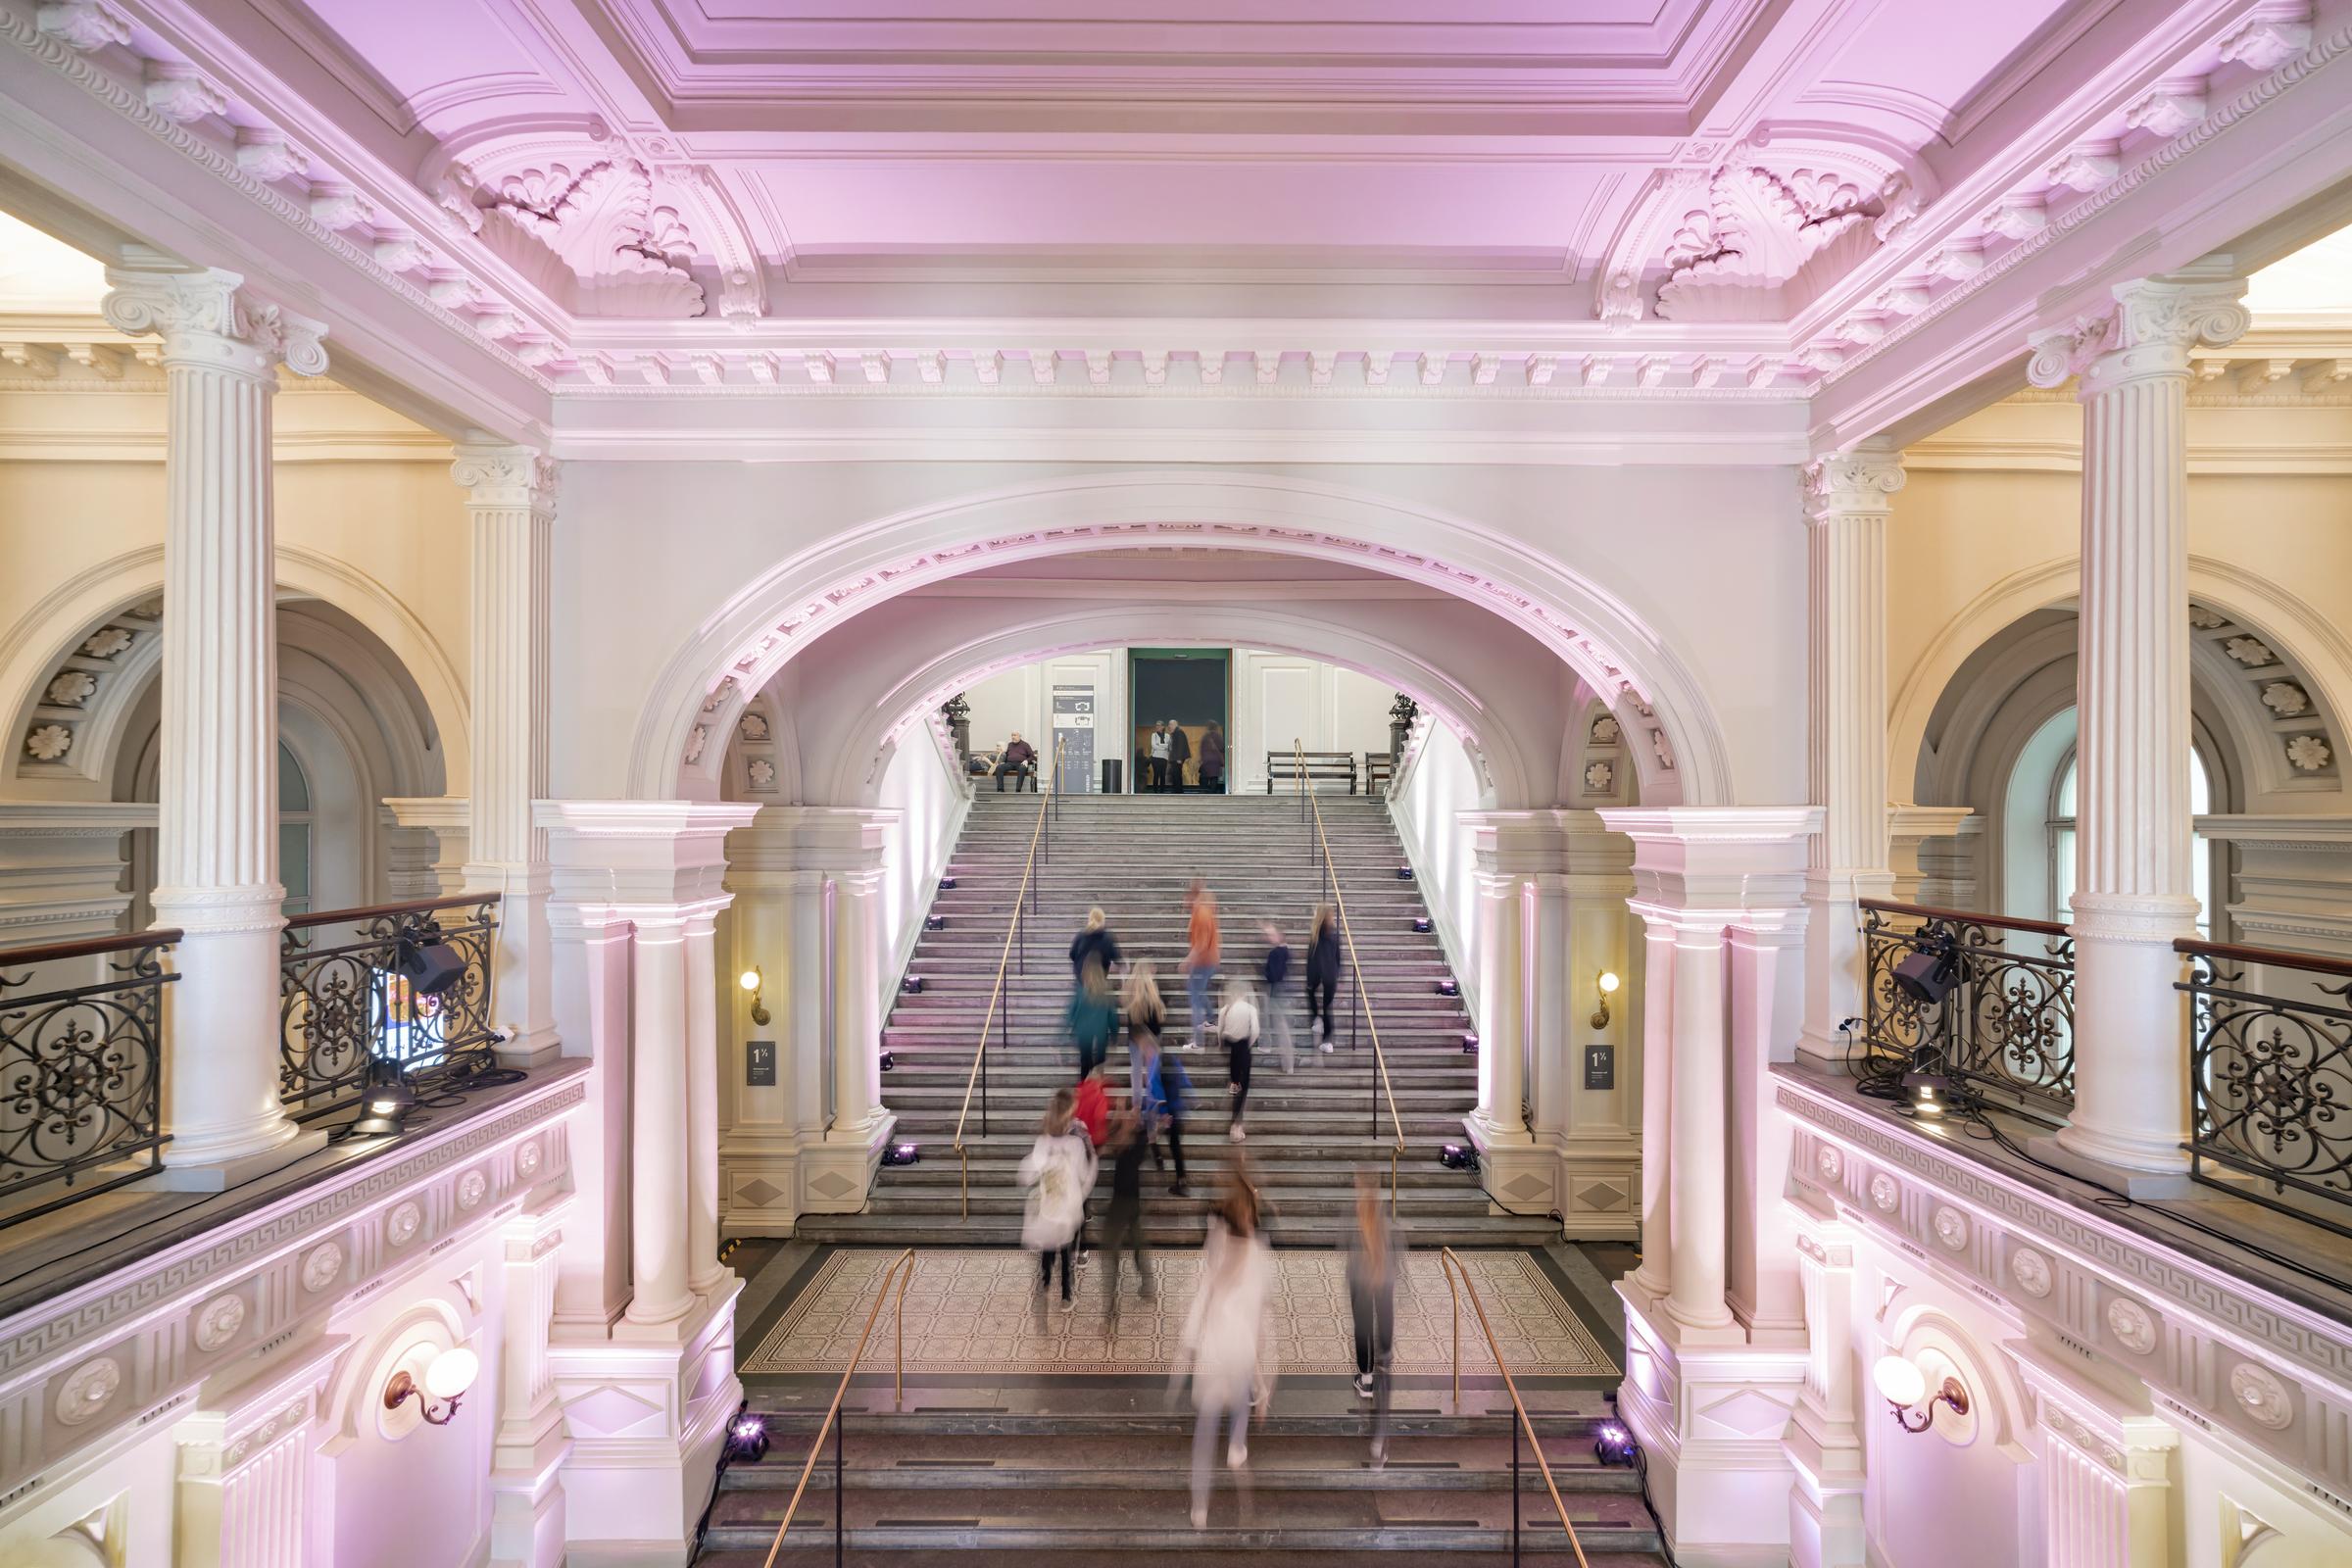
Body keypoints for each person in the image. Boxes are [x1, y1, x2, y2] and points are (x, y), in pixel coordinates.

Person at [1173, 1181, 1276, 1530]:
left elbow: (1200, 1303)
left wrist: (1185, 1355)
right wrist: (1262, 1388)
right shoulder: (1258, 1259)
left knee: (1204, 1432)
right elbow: (1262, 1326)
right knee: (1237, 1401)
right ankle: (1236, 1446)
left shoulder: (1217, 1251)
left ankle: (1199, 1508)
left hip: (1214, 1352)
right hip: (1240, 1353)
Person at [1018, 1088, 1096, 1312]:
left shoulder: (1043, 1142)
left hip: (1049, 1208)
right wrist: (1080, 1195)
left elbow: (1027, 1173)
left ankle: (1045, 1281)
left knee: (1048, 1246)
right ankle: (1066, 1295)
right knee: (1065, 1250)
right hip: (1067, 1210)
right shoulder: (1075, 1143)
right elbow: (1087, 1174)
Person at [1348, 1169, 1402, 1466]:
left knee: (1364, 1333)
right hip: (1385, 1322)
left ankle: (1365, 1377)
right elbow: (1398, 1266)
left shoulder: (1357, 1225)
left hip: (1366, 1303)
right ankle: (1380, 1443)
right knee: (1386, 1371)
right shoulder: (1387, 1226)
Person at [1101, 1103, 1155, 1325]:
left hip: (1122, 1204)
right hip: (1131, 1202)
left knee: (1111, 1252)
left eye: (1131, 1117)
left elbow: (1124, 1140)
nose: (1128, 1117)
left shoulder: (1134, 1143)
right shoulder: (1132, 1142)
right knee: (1137, 1241)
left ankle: (1112, 1306)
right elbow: (1115, 1139)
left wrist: (1126, 1122)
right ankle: (1147, 1284)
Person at [1217, 977, 1259, 1142]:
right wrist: (1248, 1044)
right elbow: (1255, 1031)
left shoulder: (1225, 1010)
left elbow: (1220, 1032)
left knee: (1235, 1084)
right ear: (1243, 993)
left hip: (1232, 1050)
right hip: (1243, 1049)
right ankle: (1236, 1126)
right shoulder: (1250, 1009)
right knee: (1244, 1086)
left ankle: (1234, 1124)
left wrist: (1222, 1044)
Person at [1066, 956, 1118, 1081]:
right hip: (1101, 1034)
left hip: (1084, 1033)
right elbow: (1112, 1015)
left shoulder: (1081, 991)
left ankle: (1085, 1092)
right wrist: (1114, 1033)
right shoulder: (1106, 991)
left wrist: (1070, 1030)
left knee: (1085, 1062)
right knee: (1099, 1065)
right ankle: (1097, 1094)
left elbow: (1071, 1013)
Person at [1182, 880, 1220, 1050]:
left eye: (1186, 897)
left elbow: (1202, 944)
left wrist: (1187, 960)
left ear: (1193, 896)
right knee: (1197, 991)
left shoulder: (1202, 914)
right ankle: (1210, 1020)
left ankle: (1198, 1042)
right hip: (1206, 961)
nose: (1183, 901)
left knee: (1195, 998)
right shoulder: (1200, 912)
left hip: (1203, 962)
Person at [1259, 922, 1296, 1074]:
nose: (1269, 937)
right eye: (1267, 935)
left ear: (1279, 936)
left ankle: (1287, 1063)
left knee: (1280, 1026)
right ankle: (1285, 1061)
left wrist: (1264, 971)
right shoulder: (1285, 951)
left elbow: (1273, 974)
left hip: (1276, 990)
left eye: (1271, 934)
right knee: (1276, 1022)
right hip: (1282, 990)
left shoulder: (1275, 953)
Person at [1306, 904, 1342, 1053]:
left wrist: (1310, 976)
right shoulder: (1334, 933)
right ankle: (1327, 1041)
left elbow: (1313, 957)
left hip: (1318, 972)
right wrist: (1338, 972)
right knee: (1327, 1007)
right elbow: (1338, 956)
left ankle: (1316, 1019)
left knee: (1310, 992)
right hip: (1331, 975)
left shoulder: (1316, 933)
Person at [1069, 906, 1121, 979]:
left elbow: (1072, 955)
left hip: (1081, 977)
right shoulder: (1107, 937)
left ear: (1089, 919)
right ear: (1102, 919)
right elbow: (1116, 956)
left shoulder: (1081, 935)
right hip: (1100, 978)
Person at [1198, 720, 1226, 794]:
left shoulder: (1206, 737)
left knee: (1204, 779)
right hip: (1216, 761)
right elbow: (1222, 748)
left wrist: (1201, 759)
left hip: (1206, 761)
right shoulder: (1219, 736)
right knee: (1214, 779)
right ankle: (1213, 795)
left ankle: (1204, 795)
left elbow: (1202, 750)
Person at [1165, 718, 1192, 793]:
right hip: (1174, 758)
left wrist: (1179, 758)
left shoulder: (1179, 732)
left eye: (1170, 724)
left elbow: (1180, 746)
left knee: (1176, 775)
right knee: (1175, 775)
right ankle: (1177, 790)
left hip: (1177, 758)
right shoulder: (1175, 733)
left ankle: (1178, 791)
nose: (1169, 726)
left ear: (1174, 725)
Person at [1146, 721, 1172, 793]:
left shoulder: (1167, 736)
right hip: (1155, 757)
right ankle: (1155, 792)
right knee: (1156, 774)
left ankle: (1162, 791)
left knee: (1163, 775)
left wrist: (1159, 745)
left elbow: (1169, 746)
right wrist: (1163, 747)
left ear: (1163, 727)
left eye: (1159, 725)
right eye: (1156, 725)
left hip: (1164, 757)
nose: (1157, 727)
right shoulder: (1153, 735)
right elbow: (1153, 745)